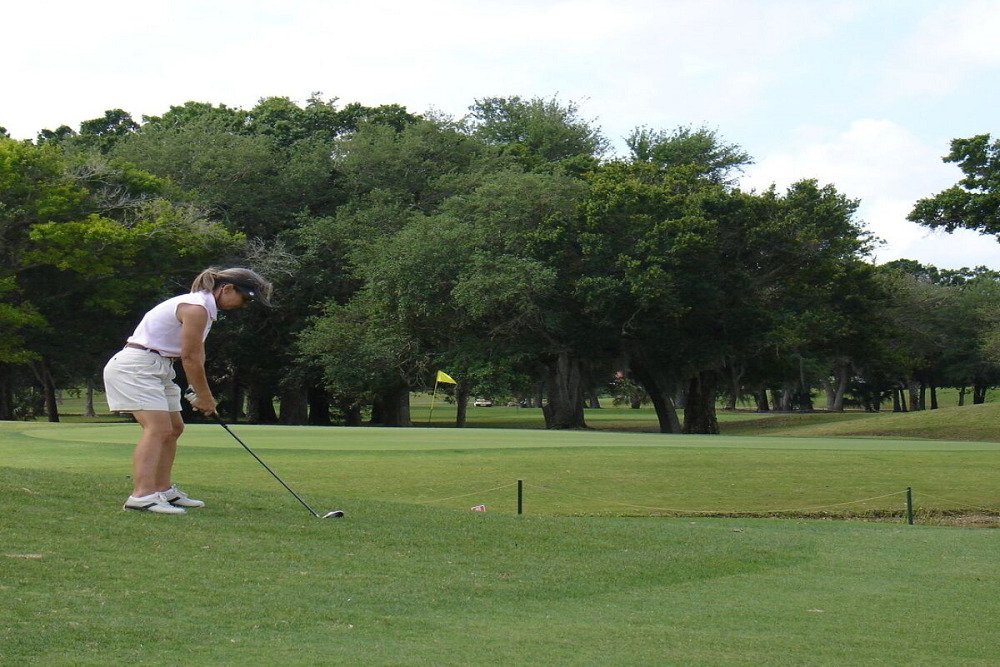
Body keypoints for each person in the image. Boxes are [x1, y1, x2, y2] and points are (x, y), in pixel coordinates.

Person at [103, 267, 272, 514]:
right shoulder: (196, 307)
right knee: (158, 428)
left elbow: (197, 354)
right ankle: (141, 496)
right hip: (137, 366)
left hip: (158, 366)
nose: (245, 305)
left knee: (174, 428)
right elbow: (189, 358)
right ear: (226, 289)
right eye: (245, 298)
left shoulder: (205, 309)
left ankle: (163, 490)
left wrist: (201, 392)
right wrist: (204, 396)